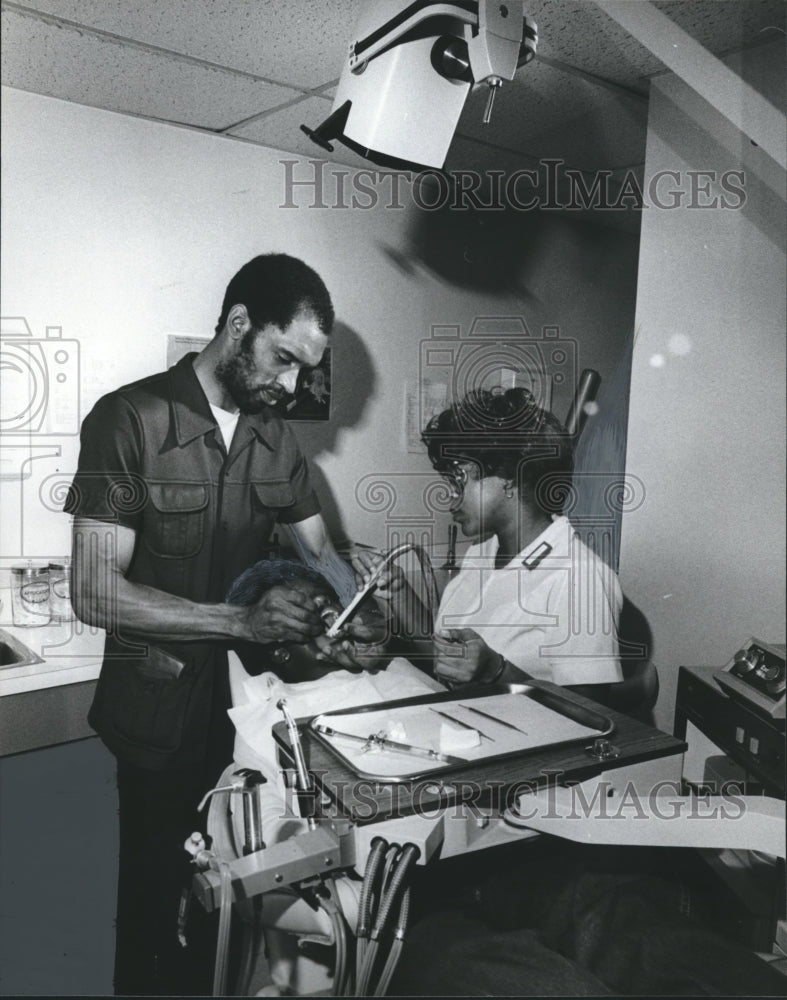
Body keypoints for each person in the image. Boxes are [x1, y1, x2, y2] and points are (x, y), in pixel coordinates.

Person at [63, 253, 370, 996]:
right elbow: (93, 592)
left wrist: (358, 615)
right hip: (158, 713)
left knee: (225, 898)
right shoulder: (129, 419)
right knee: (147, 901)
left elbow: (323, 551)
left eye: (306, 369)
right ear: (238, 326)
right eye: (284, 360)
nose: (293, 386)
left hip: (242, 719)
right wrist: (240, 617)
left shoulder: (274, 438)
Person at [423, 386, 623, 694]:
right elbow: (447, 658)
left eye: (459, 478)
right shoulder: (482, 553)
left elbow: (593, 714)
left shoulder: (579, 577)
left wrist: (497, 671)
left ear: (509, 478)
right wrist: (398, 598)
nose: (450, 499)